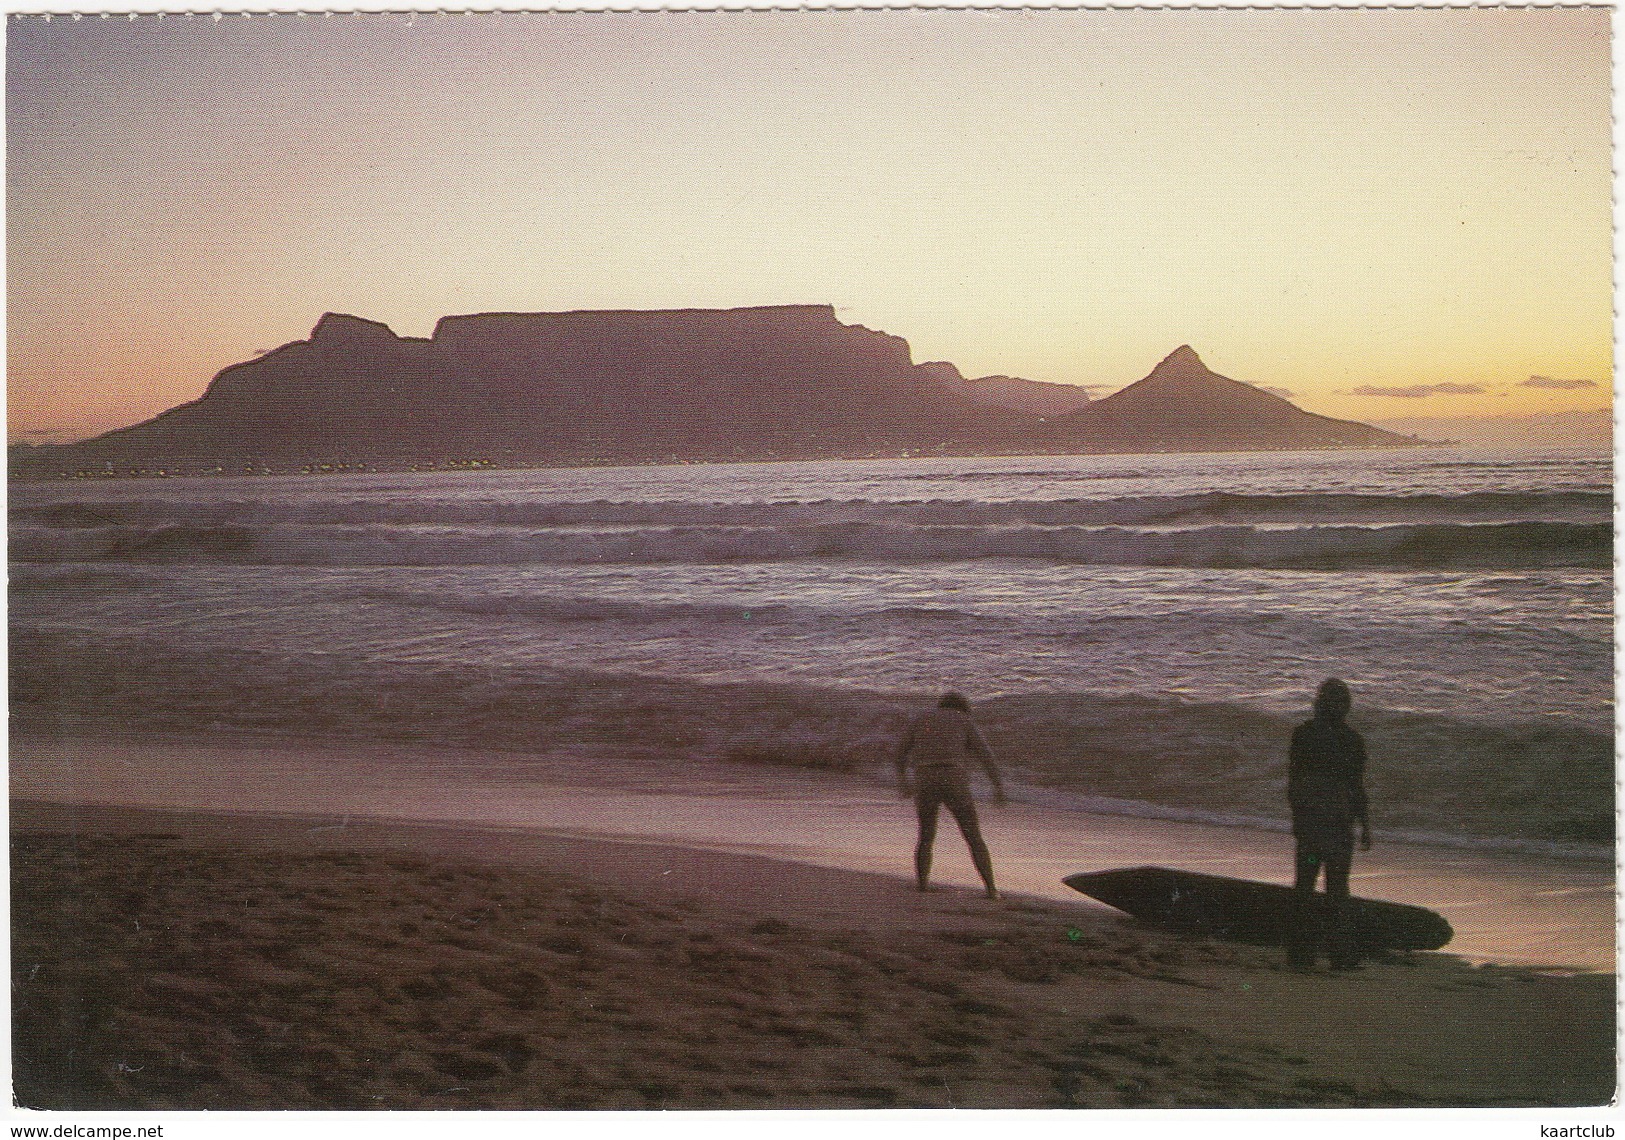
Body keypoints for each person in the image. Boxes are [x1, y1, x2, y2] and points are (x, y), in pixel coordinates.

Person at [1286, 677, 1371, 971]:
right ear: (1345, 707)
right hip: (1337, 828)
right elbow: (1357, 788)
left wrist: (1297, 818)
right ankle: (1340, 956)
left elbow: (1294, 782)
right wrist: (1365, 825)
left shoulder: (1303, 734)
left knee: (1305, 886)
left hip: (1311, 827)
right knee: (1337, 888)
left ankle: (1300, 955)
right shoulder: (1352, 740)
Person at [895, 692, 1006, 899]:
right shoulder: (964, 719)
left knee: (926, 835)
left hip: (925, 777)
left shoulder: (921, 719)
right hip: (953, 777)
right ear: (963, 707)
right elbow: (986, 755)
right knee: (973, 836)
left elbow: (899, 754)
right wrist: (997, 786)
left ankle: (922, 883)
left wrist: (903, 782)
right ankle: (991, 889)